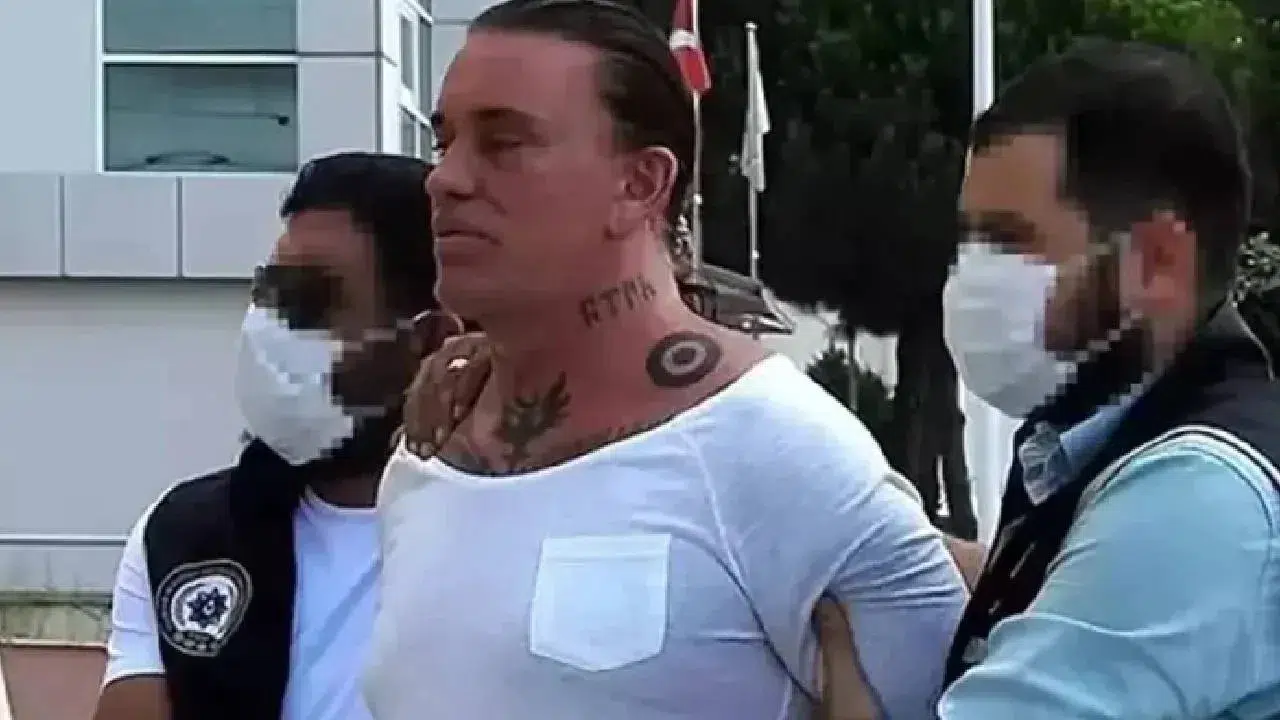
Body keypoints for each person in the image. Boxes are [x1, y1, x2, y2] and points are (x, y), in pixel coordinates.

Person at [363, 1, 968, 719]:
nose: (444, 180)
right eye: (445, 143)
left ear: (642, 183)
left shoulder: (781, 454)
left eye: (504, 143)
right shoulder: (428, 452)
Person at [819, 39, 1280, 717]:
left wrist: (838, 675)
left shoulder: (1198, 493)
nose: (970, 279)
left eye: (1009, 241)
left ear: (1157, 260)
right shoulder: (1099, 443)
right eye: (968, 242)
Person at [93, 152, 456, 720]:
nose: (270, 328)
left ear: (427, 340)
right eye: (268, 293)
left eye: (312, 300)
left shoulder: (500, 530)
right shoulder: (186, 536)